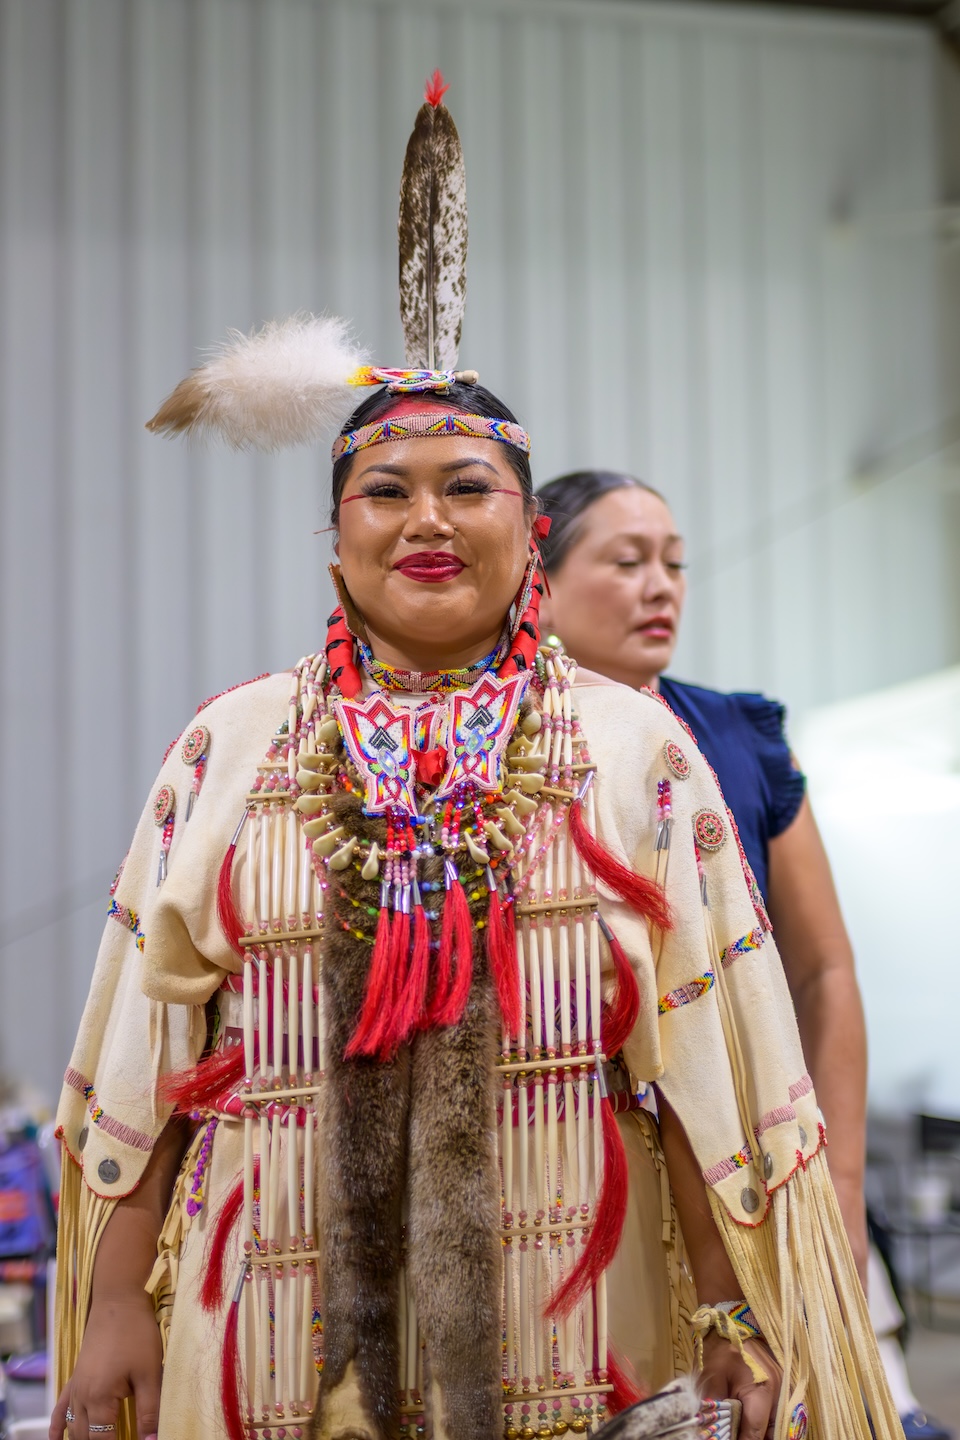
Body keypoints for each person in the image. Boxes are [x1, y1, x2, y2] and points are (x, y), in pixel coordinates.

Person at [51, 81, 899, 1440]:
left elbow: (696, 1060)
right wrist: (108, 1309)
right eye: (387, 491)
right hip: (260, 1302)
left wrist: (739, 1310)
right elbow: (150, 1047)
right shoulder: (231, 747)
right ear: (335, 539)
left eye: (470, 488)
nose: (427, 520)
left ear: (524, 531)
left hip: (574, 1299)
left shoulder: (638, 754)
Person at [535, 468, 951, 1440]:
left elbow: (822, 972)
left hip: (768, 1157)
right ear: (537, 582)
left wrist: (837, 1189)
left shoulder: (737, 733)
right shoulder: (503, 753)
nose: (661, 586)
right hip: (585, 1186)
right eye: (627, 560)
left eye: (675, 564)